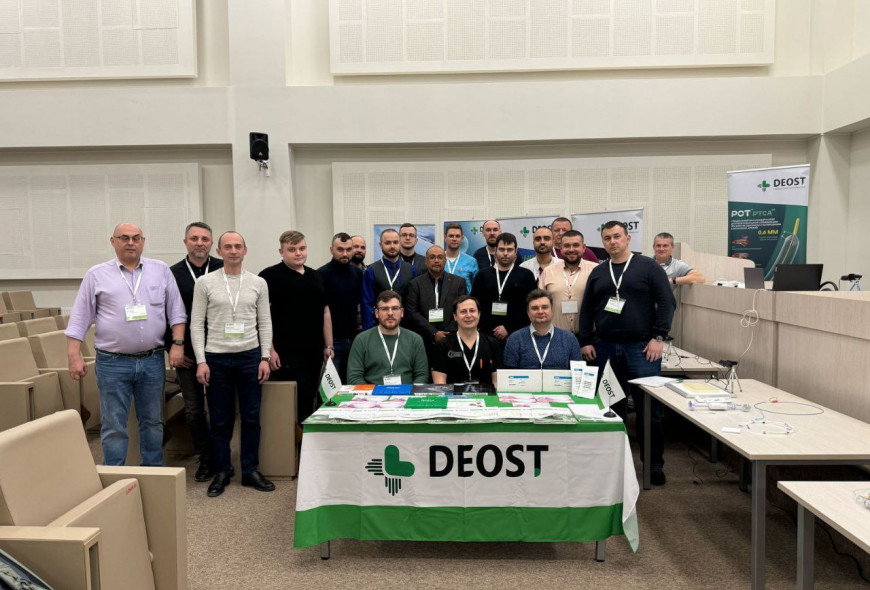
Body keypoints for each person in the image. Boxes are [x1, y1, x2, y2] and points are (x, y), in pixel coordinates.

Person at [66, 222, 186, 467]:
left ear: (143, 241)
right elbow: (79, 317)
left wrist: (178, 344)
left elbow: (177, 312)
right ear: (113, 241)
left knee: (153, 422)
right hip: (112, 362)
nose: (131, 242)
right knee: (113, 425)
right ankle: (115, 474)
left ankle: (153, 471)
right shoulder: (96, 275)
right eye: (124, 238)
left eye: (136, 238)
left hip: (152, 360)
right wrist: (73, 355)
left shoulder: (161, 270)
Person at [579, 221, 676, 486]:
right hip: (605, 348)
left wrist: (659, 337)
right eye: (607, 238)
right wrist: (586, 340)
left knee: (649, 410)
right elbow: (587, 309)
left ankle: (653, 465)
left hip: (642, 349)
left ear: (628, 238)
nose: (612, 242)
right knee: (610, 408)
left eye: (617, 236)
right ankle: (614, 464)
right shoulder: (599, 272)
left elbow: (667, 302)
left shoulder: (648, 267)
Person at [191, 231, 275, 497]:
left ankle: (250, 470)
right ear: (219, 251)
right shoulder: (205, 282)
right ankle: (222, 470)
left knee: (251, 418)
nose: (233, 250)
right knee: (220, 420)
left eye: (238, 246)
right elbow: (196, 324)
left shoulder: (258, 283)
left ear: (245, 250)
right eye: (228, 246)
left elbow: (265, 322)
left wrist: (264, 357)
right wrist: (201, 361)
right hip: (216, 358)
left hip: (249, 356)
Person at [166, 221, 223, 482]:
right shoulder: (172, 274)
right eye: (194, 238)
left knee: (220, 407)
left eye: (205, 239)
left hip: (220, 350)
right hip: (186, 352)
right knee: (193, 409)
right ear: (185, 242)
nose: (199, 243)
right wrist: (172, 346)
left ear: (212, 243)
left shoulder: (223, 268)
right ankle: (205, 456)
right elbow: (164, 312)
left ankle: (221, 454)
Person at [259, 231, 333, 426]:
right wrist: (269, 350)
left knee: (310, 399)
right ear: (281, 252)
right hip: (285, 353)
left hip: (314, 352)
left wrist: (329, 345)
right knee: (293, 403)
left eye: (302, 248)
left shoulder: (315, 276)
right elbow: (262, 317)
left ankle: (306, 441)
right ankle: (292, 443)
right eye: (292, 250)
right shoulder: (268, 276)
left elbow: (325, 312)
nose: (298, 253)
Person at [347, 291, 429, 385]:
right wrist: (373, 393)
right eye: (385, 309)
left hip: (407, 393)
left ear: (401, 312)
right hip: (372, 393)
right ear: (376, 313)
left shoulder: (415, 340)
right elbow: (354, 377)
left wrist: (409, 393)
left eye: (395, 308)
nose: (390, 313)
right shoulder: (361, 340)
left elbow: (422, 376)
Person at [471, 233, 537, 345]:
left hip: (519, 335)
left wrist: (509, 328)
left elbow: (531, 306)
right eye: (502, 249)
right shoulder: (482, 275)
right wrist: (487, 328)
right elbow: (475, 305)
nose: (505, 253)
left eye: (509, 250)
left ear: (516, 252)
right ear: (495, 251)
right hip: (486, 336)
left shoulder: (526, 275)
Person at [404, 245, 467, 361]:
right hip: (424, 340)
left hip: (452, 340)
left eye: (440, 257)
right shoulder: (415, 284)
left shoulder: (458, 283)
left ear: (445, 260)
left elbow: (462, 310)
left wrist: (447, 333)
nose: (436, 261)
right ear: (426, 261)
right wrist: (434, 333)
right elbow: (412, 312)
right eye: (432, 257)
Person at [318, 232, 363, 383]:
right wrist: (327, 344)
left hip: (354, 338)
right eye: (340, 249)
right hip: (332, 341)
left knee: (352, 385)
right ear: (331, 250)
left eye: (348, 249)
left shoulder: (357, 273)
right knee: (331, 387)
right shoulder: (321, 275)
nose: (345, 254)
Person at [431, 295, 501, 388]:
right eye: (463, 311)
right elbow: (440, 385)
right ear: (455, 316)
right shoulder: (443, 345)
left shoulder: (492, 344)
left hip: (486, 396)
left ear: (479, 314)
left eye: (472, 311)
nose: (468, 315)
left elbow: (497, 384)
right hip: (453, 396)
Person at [538, 230, 597, 337]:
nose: (571, 249)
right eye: (567, 246)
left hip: (589, 337)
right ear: (561, 249)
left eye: (575, 245)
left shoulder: (595, 270)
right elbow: (540, 304)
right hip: (556, 336)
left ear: (583, 248)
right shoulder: (548, 272)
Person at [503, 290, 582, 370]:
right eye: (535, 308)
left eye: (545, 307)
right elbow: (508, 375)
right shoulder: (515, 339)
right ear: (528, 312)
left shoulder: (569, 339)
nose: (540, 311)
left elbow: (578, 373)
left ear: (552, 310)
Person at [361, 228, 415, 330]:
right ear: (380, 245)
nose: (392, 246)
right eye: (388, 243)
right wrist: (369, 330)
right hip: (379, 327)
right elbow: (367, 304)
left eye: (395, 242)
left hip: (406, 327)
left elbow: (414, 302)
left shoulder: (411, 270)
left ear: (400, 243)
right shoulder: (371, 271)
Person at [443, 222, 479, 292]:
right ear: (445, 238)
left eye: (457, 236)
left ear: (462, 239)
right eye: (451, 236)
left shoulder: (471, 261)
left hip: (464, 299)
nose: (454, 239)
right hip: (442, 299)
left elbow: (476, 287)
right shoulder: (438, 260)